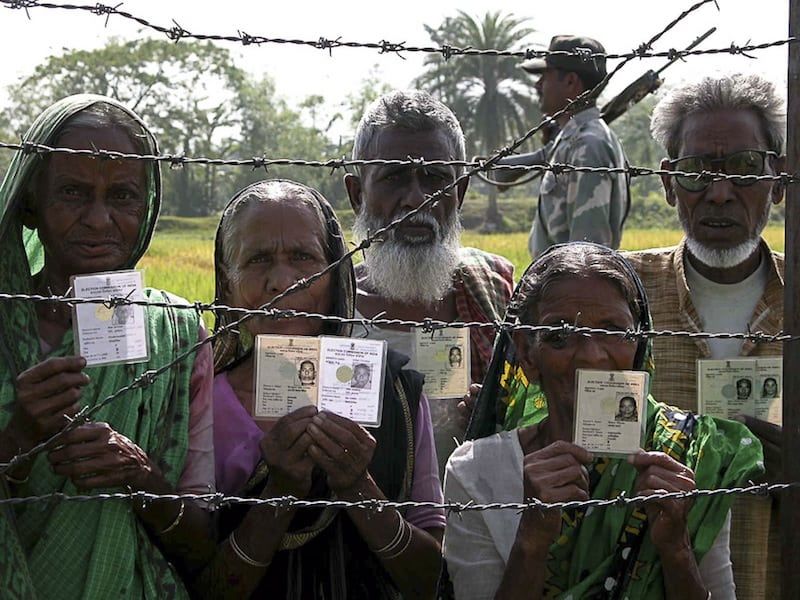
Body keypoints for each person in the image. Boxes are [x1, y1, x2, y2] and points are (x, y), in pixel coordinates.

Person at [444, 243, 764, 599]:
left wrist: (676, 547)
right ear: (526, 352)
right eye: (560, 335)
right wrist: (531, 539)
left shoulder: (689, 457)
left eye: (613, 331)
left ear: (639, 345)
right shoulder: (477, 471)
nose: (593, 356)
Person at [0, 95, 215, 598]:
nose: (99, 221)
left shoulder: (178, 333)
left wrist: (139, 476)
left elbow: (204, 538)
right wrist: (19, 439)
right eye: (73, 192)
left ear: (147, 206)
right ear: (31, 201)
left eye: (121, 197)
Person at [200, 179, 445, 599]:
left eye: (303, 257)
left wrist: (357, 487)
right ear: (227, 285)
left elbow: (430, 580)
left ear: (335, 274)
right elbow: (198, 584)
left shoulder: (393, 392)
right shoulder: (200, 403)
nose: (283, 281)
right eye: (258, 259)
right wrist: (280, 493)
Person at [625, 73, 785, 599]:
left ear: (779, 180)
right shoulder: (618, 299)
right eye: (697, 172)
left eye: (744, 169)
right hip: (637, 576)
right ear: (670, 183)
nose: (720, 193)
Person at [345, 90, 514, 474]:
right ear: (357, 194)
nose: (416, 199)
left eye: (435, 179)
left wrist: (501, 415)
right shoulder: (327, 310)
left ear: (461, 191)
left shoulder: (496, 292)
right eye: (393, 178)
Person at [519, 35, 628, 259]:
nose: (538, 85)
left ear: (570, 82)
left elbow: (586, 254)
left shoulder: (588, 145)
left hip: (569, 289)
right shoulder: (572, 139)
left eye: (545, 76)